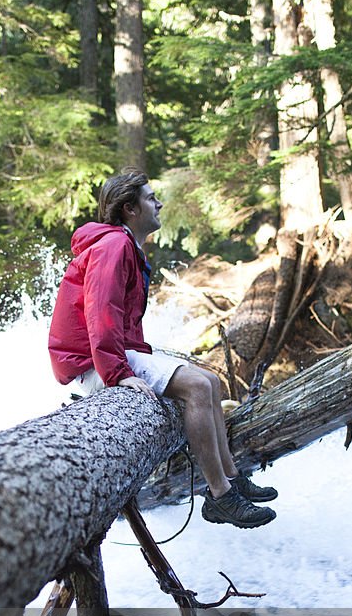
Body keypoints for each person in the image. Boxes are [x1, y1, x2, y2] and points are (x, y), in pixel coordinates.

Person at [48, 169, 277, 528]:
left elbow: (122, 323)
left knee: (211, 382)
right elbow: (100, 313)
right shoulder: (113, 246)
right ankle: (219, 496)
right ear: (130, 208)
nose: (158, 203)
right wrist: (118, 375)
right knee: (198, 388)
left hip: (106, 354)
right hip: (91, 363)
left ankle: (232, 478)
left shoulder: (123, 245)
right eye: (150, 198)